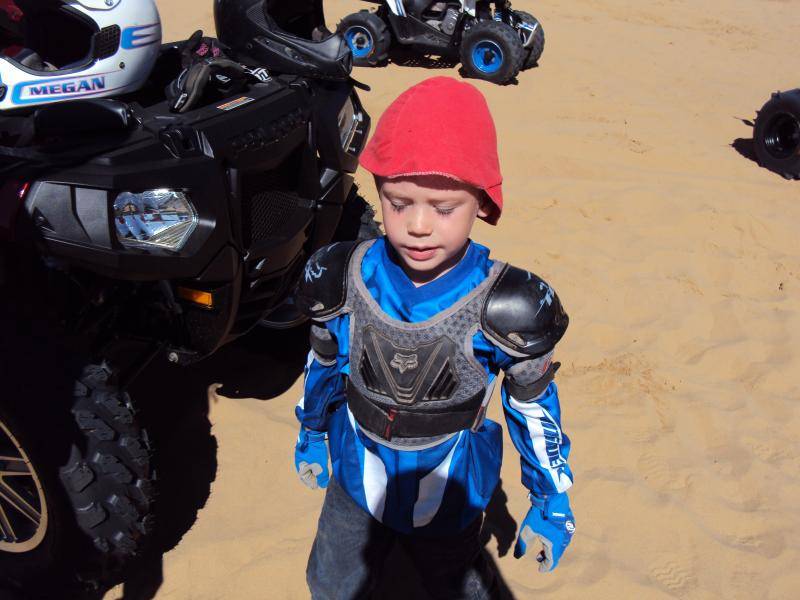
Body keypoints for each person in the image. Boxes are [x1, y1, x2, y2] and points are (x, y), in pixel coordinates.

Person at [293, 76, 575, 600]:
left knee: (454, 582)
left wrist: (550, 501)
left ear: (483, 203)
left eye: (443, 208)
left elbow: (535, 408)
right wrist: (311, 430)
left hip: (450, 484)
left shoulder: (507, 305)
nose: (418, 225)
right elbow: (324, 360)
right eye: (398, 203)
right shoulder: (341, 275)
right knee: (331, 582)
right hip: (356, 469)